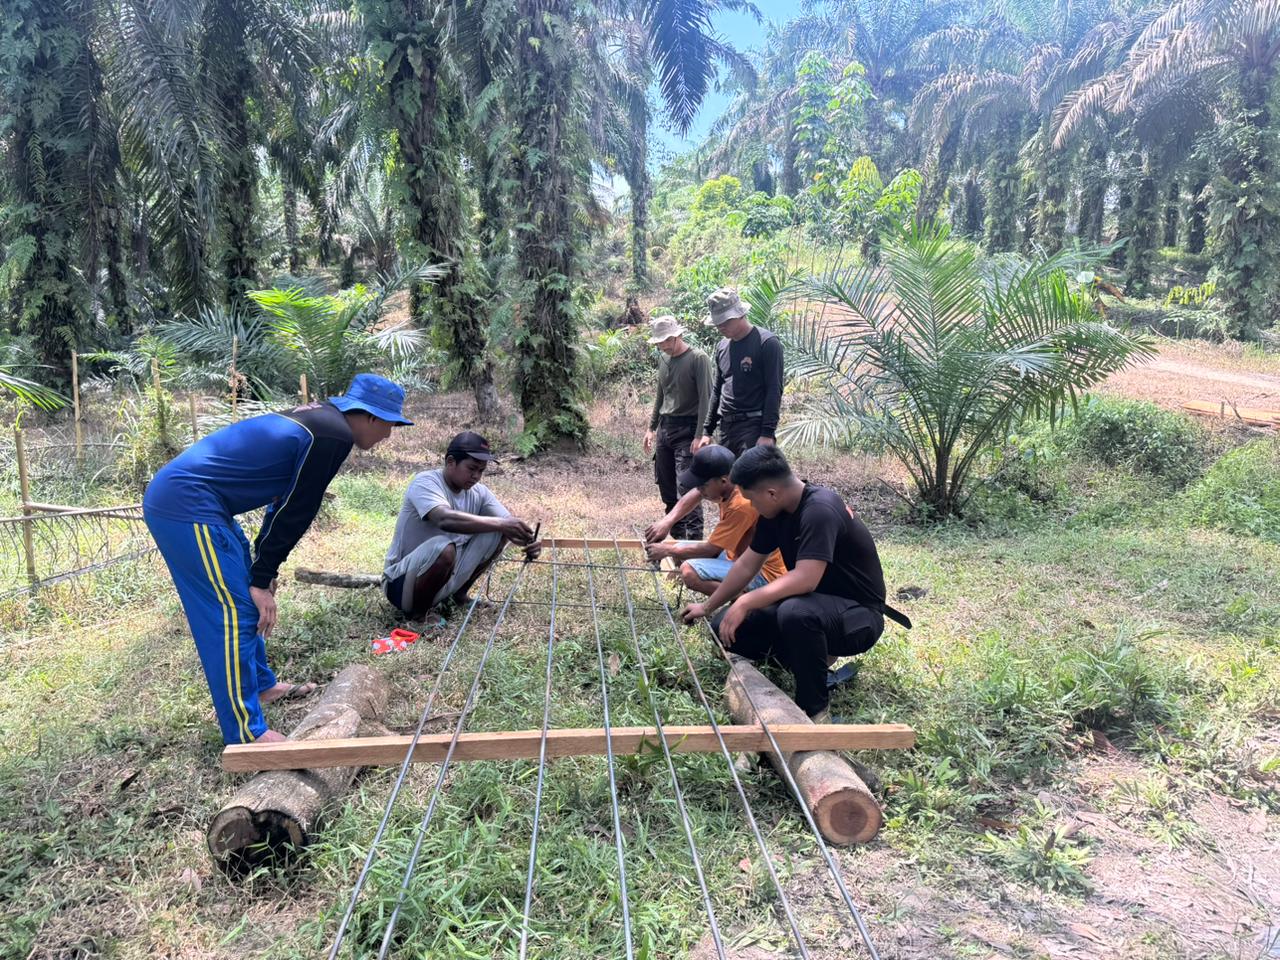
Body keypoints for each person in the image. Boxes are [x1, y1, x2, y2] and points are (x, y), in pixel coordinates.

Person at [143, 373, 411, 746]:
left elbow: (283, 501)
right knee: (232, 612)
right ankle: (246, 733)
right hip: (186, 504)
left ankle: (263, 685)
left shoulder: (323, 421)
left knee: (244, 594)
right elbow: (297, 510)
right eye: (390, 424)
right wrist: (262, 577)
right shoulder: (333, 434)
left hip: (207, 505)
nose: (388, 435)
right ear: (369, 416)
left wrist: (263, 570)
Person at [680, 446, 911, 721]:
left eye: (752, 500)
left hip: (858, 615)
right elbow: (746, 564)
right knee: (726, 627)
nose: (752, 507)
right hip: (813, 604)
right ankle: (802, 659)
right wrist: (708, 606)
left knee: (796, 614)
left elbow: (806, 578)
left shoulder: (820, 510)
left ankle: (814, 710)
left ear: (771, 493)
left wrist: (746, 600)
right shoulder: (775, 512)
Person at [383, 431, 541, 620]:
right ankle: (418, 616)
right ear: (450, 462)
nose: (476, 476)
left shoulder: (479, 493)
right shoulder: (426, 482)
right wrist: (503, 524)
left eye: (481, 471)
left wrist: (527, 540)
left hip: (442, 580)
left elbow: (508, 522)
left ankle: (459, 595)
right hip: (401, 585)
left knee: (499, 531)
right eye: (472, 468)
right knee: (444, 547)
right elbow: (445, 519)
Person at [643, 444, 786, 596]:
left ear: (723, 481)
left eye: (703, 485)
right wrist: (667, 522)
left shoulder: (741, 504)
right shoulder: (731, 484)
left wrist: (666, 550)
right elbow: (697, 493)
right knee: (681, 549)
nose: (700, 489)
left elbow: (712, 551)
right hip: (738, 558)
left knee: (689, 571)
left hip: (763, 574)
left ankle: (748, 602)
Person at [642, 315, 712, 541]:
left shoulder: (698, 359)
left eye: (666, 340)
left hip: (688, 430)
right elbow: (661, 395)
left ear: (678, 335)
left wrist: (701, 434)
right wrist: (651, 428)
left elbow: (706, 399)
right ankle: (677, 545)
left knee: (688, 489)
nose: (663, 345)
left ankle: (693, 547)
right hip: (665, 429)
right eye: (660, 342)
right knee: (668, 489)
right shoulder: (663, 359)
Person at [694, 286, 784, 456]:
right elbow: (717, 390)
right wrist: (707, 431)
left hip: (753, 426)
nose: (721, 327)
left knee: (750, 481)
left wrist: (767, 433)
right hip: (726, 428)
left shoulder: (767, 343)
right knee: (727, 481)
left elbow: (774, 389)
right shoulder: (722, 347)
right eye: (717, 323)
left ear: (741, 314)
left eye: (726, 322)